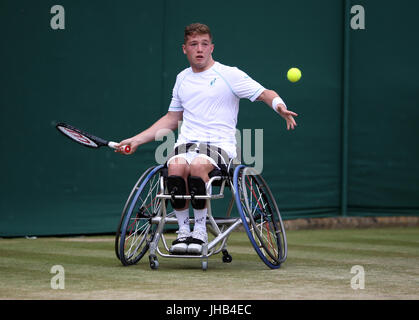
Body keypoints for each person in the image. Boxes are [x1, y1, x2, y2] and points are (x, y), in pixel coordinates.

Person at [116, 23, 298, 255]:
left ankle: (200, 230)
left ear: (212, 47)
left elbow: (265, 93)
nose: (199, 49)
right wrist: (137, 140)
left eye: (204, 44)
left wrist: (279, 106)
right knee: (175, 165)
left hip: (220, 147)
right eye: (193, 44)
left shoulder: (229, 74)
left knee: (197, 165)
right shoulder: (182, 78)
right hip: (186, 145)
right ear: (185, 49)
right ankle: (183, 232)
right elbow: (172, 119)